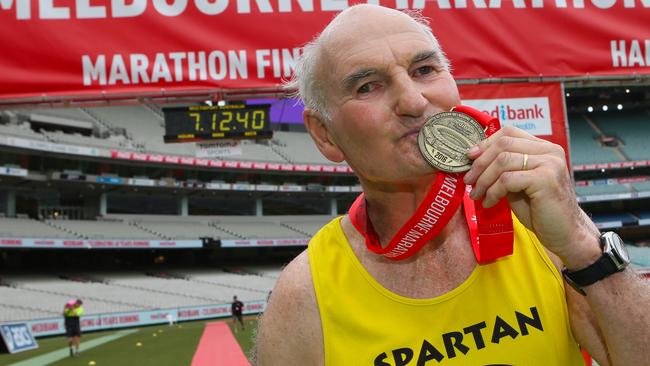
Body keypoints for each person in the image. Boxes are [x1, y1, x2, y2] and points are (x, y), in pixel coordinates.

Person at [254, 4, 650, 366]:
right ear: (324, 134)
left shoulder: (538, 228)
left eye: (424, 70)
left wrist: (581, 243)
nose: (413, 101)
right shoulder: (306, 295)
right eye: (367, 86)